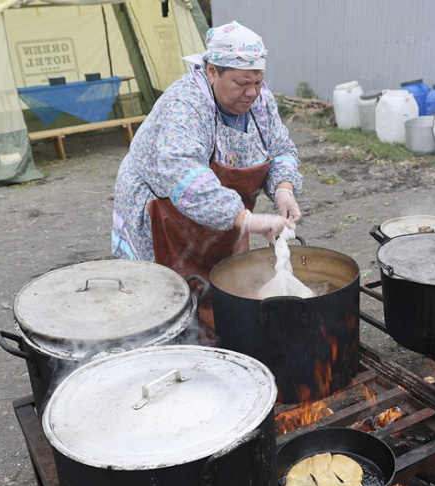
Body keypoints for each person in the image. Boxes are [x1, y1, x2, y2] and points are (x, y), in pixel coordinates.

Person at [112, 21, 303, 330]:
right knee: (165, 299)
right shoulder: (185, 104)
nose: (252, 92)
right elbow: (183, 175)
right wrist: (245, 219)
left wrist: (284, 189)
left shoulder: (260, 101)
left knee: (222, 284)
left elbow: (280, 149)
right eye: (242, 83)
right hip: (164, 212)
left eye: (258, 81)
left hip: (222, 214)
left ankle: (217, 335)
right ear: (212, 71)